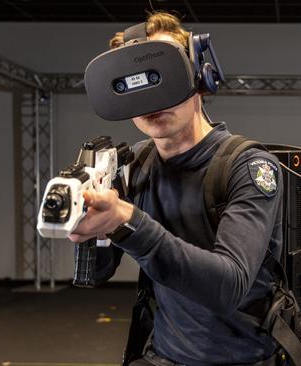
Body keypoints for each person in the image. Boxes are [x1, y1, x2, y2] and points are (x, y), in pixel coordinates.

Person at [68, 12, 286, 366]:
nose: (152, 101)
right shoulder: (135, 164)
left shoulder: (248, 166)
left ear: (200, 75)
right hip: (164, 354)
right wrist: (91, 231)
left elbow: (227, 287)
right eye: (134, 86)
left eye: (161, 77)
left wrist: (128, 218)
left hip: (242, 359)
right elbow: (96, 274)